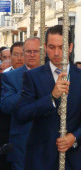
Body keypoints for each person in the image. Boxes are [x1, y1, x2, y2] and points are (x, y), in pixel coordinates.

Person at [15, 25, 81, 170]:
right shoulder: (32, 76)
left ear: (71, 47)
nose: (56, 53)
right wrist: (51, 98)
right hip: (41, 157)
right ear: (45, 47)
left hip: (74, 157)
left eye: (62, 47)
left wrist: (74, 137)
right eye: (52, 47)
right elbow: (22, 114)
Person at [0, 38, 40, 170]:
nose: (32, 55)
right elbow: (5, 105)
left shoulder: (52, 74)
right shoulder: (10, 77)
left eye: (36, 51)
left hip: (47, 143)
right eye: (28, 51)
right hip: (21, 144)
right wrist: (26, 91)